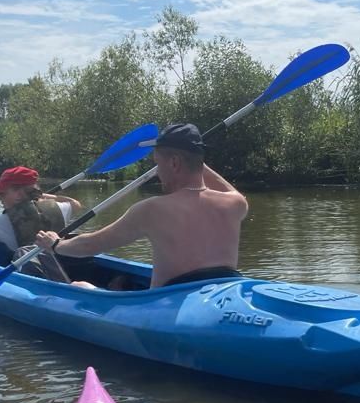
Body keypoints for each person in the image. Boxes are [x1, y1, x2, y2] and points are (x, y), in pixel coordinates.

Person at [34, 123, 248, 288]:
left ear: (173, 163)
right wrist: (194, 157)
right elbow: (231, 191)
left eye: (158, 164)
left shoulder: (152, 210)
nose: (157, 173)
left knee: (79, 286)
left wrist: (55, 245)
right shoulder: (235, 204)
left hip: (167, 303)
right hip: (224, 291)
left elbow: (90, 246)